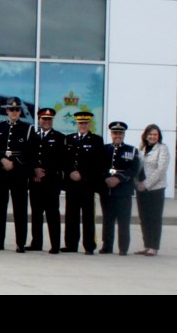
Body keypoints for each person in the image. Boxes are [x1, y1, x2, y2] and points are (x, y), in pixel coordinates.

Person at [0, 97, 35, 253]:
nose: (14, 112)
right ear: (6, 110)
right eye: (11, 109)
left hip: (19, 174)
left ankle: (20, 243)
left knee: (20, 209)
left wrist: (15, 162)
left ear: (20, 111)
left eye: (17, 109)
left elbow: (31, 153)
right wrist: (2, 160)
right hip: (1, 172)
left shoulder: (28, 128)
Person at [62, 111, 105, 254]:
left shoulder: (96, 140)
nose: (83, 126)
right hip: (72, 184)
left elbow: (98, 163)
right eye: (80, 123)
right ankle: (71, 245)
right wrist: (70, 172)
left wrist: (82, 174)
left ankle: (89, 245)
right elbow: (64, 160)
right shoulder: (69, 139)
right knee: (71, 215)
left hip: (87, 184)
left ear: (90, 124)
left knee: (88, 216)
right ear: (77, 123)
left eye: (85, 123)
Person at [28, 108, 66, 254]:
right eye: (44, 119)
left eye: (49, 119)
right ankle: (36, 243)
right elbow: (29, 157)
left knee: (52, 213)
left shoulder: (59, 137)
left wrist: (44, 172)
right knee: (36, 213)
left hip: (51, 181)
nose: (46, 121)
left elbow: (61, 160)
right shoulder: (33, 137)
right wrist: (34, 169)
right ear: (39, 120)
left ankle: (55, 244)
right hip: (35, 181)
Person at [100, 121, 140, 256]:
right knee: (107, 219)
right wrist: (106, 178)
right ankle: (107, 246)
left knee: (123, 220)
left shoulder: (131, 150)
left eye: (120, 133)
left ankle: (123, 247)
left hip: (123, 191)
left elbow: (133, 170)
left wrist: (118, 178)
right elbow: (98, 167)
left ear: (124, 135)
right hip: (107, 190)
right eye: (115, 133)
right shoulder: (104, 149)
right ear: (111, 134)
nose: (117, 136)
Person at [136, 124, 170, 257]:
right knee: (144, 218)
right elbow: (136, 167)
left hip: (155, 188)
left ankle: (154, 247)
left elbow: (161, 169)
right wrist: (137, 184)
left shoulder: (163, 148)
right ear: (145, 135)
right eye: (150, 134)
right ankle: (146, 245)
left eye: (155, 134)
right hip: (141, 189)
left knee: (154, 218)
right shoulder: (141, 149)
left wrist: (146, 184)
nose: (152, 137)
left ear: (159, 136)